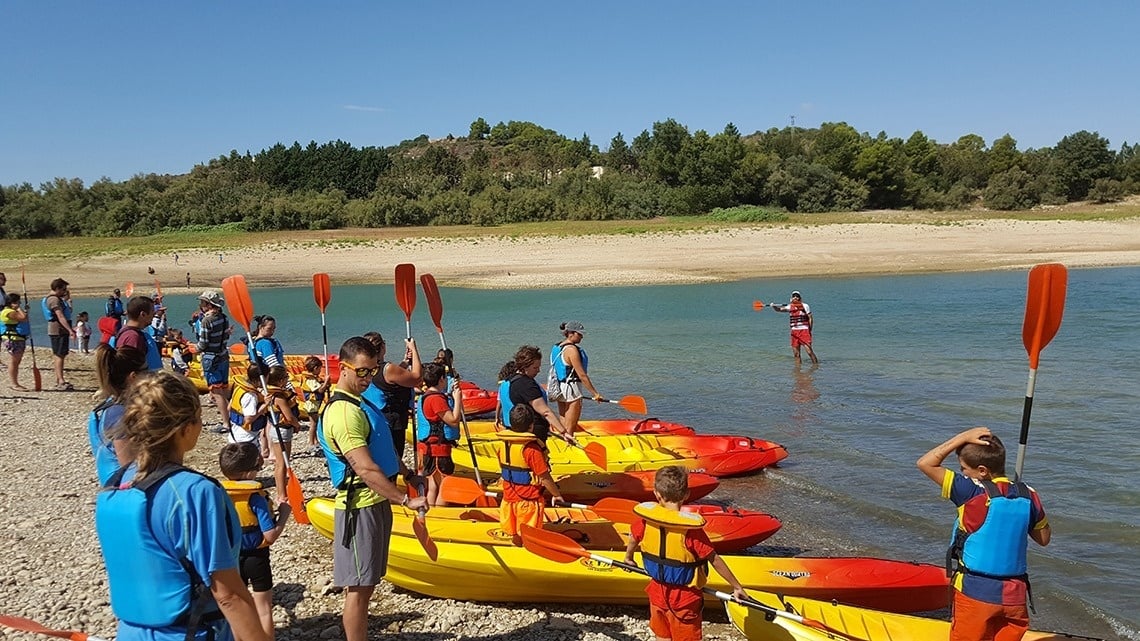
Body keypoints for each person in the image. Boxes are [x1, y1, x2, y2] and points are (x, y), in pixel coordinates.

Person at [94, 370, 269, 641]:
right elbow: (229, 595)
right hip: (190, 633)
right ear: (184, 428)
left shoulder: (114, 486)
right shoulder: (196, 493)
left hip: (130, 632)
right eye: (198, 418)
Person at [316, 336, 428, 641]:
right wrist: (405, 500)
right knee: (359, 588)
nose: (368, 377)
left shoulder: (361, 403)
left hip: (376, 502)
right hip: (359, 508)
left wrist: (407, 474)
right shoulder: (343, 412)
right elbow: (364, 468)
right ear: (344, 368)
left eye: (373, 370)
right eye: (362, 371)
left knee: (369, 583)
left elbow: (382, 450)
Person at [917, 428, 1051, 641]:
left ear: (982, 471)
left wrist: (963, 437)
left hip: (976, 594)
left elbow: (926, 463)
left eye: (964, 468)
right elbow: (1044, 539)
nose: (962, 474)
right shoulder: (1029, 495)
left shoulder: (970, 491)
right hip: (1014, 598)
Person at [624, 465, 749, 641]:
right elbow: (714, 559)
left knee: (662, 636)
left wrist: (628, 557)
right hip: (685, 599)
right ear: (686, 495)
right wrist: (736, 587)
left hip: (657, 593)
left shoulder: (646, 521)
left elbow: (633, 538)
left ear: (656, 494)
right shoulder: (690, 531)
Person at [219, 442, 291, 641]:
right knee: (264, 609)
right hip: (257, 558)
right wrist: (284, 515)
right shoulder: (256, 498)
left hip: (231, 560)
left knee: (236, 608)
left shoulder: (219, 494)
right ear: (249, 473)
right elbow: (270, 536)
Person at [498, 404, 565, 545]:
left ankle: (517, 548)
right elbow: (544, 477)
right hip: (528, 502)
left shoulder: (503, 444)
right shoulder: (531, 450)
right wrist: (556, 495)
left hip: (508, 500)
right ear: (531, 426)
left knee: (515, 535)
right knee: (529, 537)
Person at [497, 345, 574, 445]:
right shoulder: (527, 385)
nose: (538, 370)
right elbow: (545, 412)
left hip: (514, 428)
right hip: (534, 433)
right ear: (524, 366)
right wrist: (563, 432)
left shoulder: (511, 380)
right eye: (535, 368)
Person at [363, 331, 422, 461]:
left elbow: (386, 380)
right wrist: (414, 349)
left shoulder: (366, 368)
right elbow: (417, 378)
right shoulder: (388, 369)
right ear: (382, 347)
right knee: (393, 459)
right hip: (392, 421)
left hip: (373, 417)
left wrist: (405, 362)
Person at [415, 362, 464, 506]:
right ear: (441, 379)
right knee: (445, 485)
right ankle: (440, 511)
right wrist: (458, 399)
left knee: (433, 485)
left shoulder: (426, 396)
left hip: (429, 448)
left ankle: (431, 511)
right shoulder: (436, 399)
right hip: (438, 449)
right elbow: (453, 420)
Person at [548, 320, 605, 433]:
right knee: (571, 426)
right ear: (570, 333)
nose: (582, 337)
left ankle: (563, 440)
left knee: (563, 421)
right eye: (579, 334)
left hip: (559, 388)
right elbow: (582, 375)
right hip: (571, 389)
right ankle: (569, 440)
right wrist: (595, 394)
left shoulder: (557, 347)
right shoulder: (572, 350)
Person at [196, 290, 233, 432]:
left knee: (217, 392)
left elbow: (203, 343)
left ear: (208, 305)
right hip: (223, 355)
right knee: (223, 389)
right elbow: (226, 337)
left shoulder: (206, 321)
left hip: (211, 358)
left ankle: (226, 423)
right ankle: (230, 418)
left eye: (202, 302)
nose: (201, 305)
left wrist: (194, 349)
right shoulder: (224, 318)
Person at [263, 365, 300, 501]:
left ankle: (282, 493)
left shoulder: (271, 394)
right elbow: (289, 417)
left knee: (281, 463)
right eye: (286, 377)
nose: (287, 379)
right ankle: (281, 494)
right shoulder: (279, 397)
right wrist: (297, 425)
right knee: (282, 463)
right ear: (280, 381)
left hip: (278, 430)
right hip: (282, 432)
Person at [111, 296, 164, 371]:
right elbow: (129, 369)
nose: (154, 314)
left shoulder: (129, 333)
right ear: (143, 314)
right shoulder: (133, 337)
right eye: (152, 311)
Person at [43, 277, 76, 390]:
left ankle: (59, 379)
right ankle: (61, 380)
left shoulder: (57, 299)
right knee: (59, 355)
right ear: (57, 288)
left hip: (59, 330)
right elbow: (60, 316)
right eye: (63, 289)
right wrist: (70, 330)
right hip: (58, 330)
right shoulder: (54, 300)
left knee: (59, 354)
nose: (64, 292)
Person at [770, 290, 819, 365]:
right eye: (794, 296)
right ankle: (797, 370)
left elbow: (810, 318)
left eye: (797, 296)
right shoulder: (790, 307)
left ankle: (816, 366)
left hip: (804, 331)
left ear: (800, 298)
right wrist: (774, 306)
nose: (795, 297)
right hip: (794, 332)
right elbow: (779, 310)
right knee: (796, 354)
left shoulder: (805, 306)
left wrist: (810, 329)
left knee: (809, 351)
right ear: (791, 298)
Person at [300, 356, 331, 453]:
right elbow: (320, 390)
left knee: (315, 423)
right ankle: (311, 442)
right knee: (313, 424)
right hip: (311, 405)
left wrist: (325, 383)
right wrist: (326, 381)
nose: (320, 371)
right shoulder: (310, 380)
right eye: (319, 369)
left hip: (314, 404)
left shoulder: (314, 379)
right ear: (315, 368)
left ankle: (315, 440)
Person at [2, 292, 30, 390]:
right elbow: (23, 318)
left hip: (18, 338)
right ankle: (14, 384)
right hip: (13, 339)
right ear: (12, 302)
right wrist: (19, 308)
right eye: (18, 302)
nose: (19, 304)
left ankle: (15, 383)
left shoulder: (12, 311)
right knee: (14, 361)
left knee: (17, 361)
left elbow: (24, 317)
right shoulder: (8, 312)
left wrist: (24, 310)